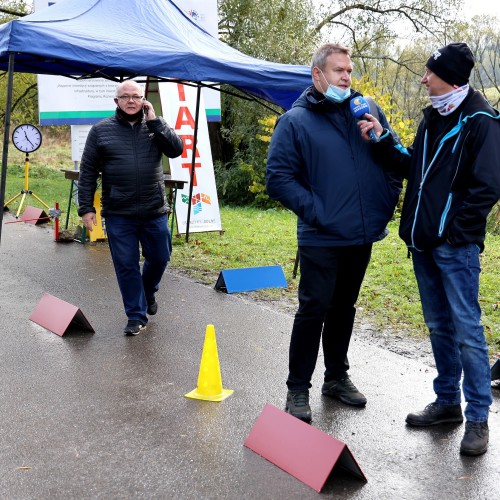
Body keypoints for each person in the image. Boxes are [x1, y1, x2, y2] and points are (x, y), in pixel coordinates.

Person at [357, 42, 500, 456]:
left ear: (450, 77)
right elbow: (413, 166)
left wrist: (455, 233)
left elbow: (488, 186)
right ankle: (447, 404)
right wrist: (383, 141)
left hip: (455, 248)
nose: (423, 78)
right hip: (422, 244)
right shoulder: (432, 117)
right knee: (439, 327)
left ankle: (477, 417)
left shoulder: (481, 120)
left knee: (468, 331)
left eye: (429, 72)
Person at [265, 43, 402, 422]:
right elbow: (278, 179)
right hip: (322, 237)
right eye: (339, 70)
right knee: (314, 310)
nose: (346, 77)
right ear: (317, 75)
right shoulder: (295, 121)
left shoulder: (368, 110)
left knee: (344, 308)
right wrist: (319, 213)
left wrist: (386, 199)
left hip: (361, 235)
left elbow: (394, 158)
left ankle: (337, 378)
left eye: (349, 71)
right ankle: (297, 389)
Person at [78, 79, 184, 335]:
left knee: (160, 258)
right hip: (119, 213)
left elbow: (176, 150)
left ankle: (148, 293)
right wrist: (86, 208)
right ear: (117, 101)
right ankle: (136, 316)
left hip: (154, 210)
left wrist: (156, 121)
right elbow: (88, 171)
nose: (130, 101)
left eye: (135, 96)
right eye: (125, 97)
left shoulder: (156, 127)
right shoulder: (101, 130)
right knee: (126, 265)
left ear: (143, 99)